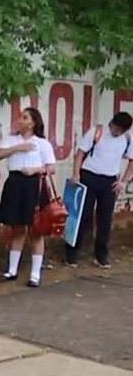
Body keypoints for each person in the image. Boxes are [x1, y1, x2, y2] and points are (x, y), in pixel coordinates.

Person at [0, 108, 56, 287]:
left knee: (36, 229)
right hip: (15, 182)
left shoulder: (42, 143)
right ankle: (12, 270)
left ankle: (35, 273)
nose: (20, 120)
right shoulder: (11, 139)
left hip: (34, 185)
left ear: (33, 123)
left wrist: (36, 169)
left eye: (25, 117)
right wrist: (17, 148)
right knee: (17, 228)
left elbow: (51, 168)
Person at [67, 112, 133, 268]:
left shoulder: (127, 138)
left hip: (110, 180)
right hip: (89, 176)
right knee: (82, 216)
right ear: (112, 124)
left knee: (105, 219)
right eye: (116, 129)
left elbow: (131, 160)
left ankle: (101, 255)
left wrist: (124, 181)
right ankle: (71, 253)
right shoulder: (97, 131)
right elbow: (80, 152)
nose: (117, 133)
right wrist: (76, 174)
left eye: (121, 130)